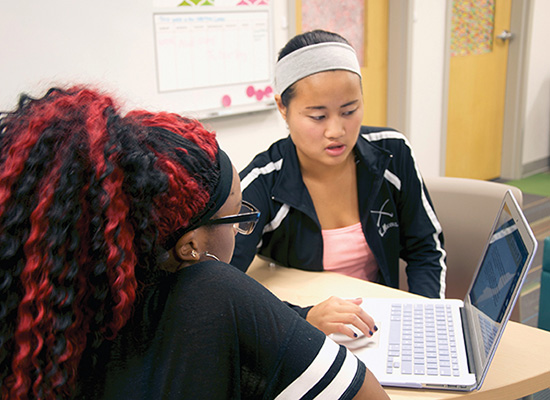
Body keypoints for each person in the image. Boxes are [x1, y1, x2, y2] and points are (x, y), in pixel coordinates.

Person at [0, 86, 389, 399]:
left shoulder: (46, 322)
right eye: (237, 218)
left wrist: (295, 318)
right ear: (189, 248)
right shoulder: (211, 292)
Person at [231, 30, 447, 336]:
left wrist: (428, 324)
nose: (336, 130)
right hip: (300, 334)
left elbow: (425, 249)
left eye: (349, 111)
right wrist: (303, 317)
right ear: (283, 108)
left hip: (377, 329)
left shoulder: (392, 153)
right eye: (318, 116)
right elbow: (220, 281)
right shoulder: (263, 181)